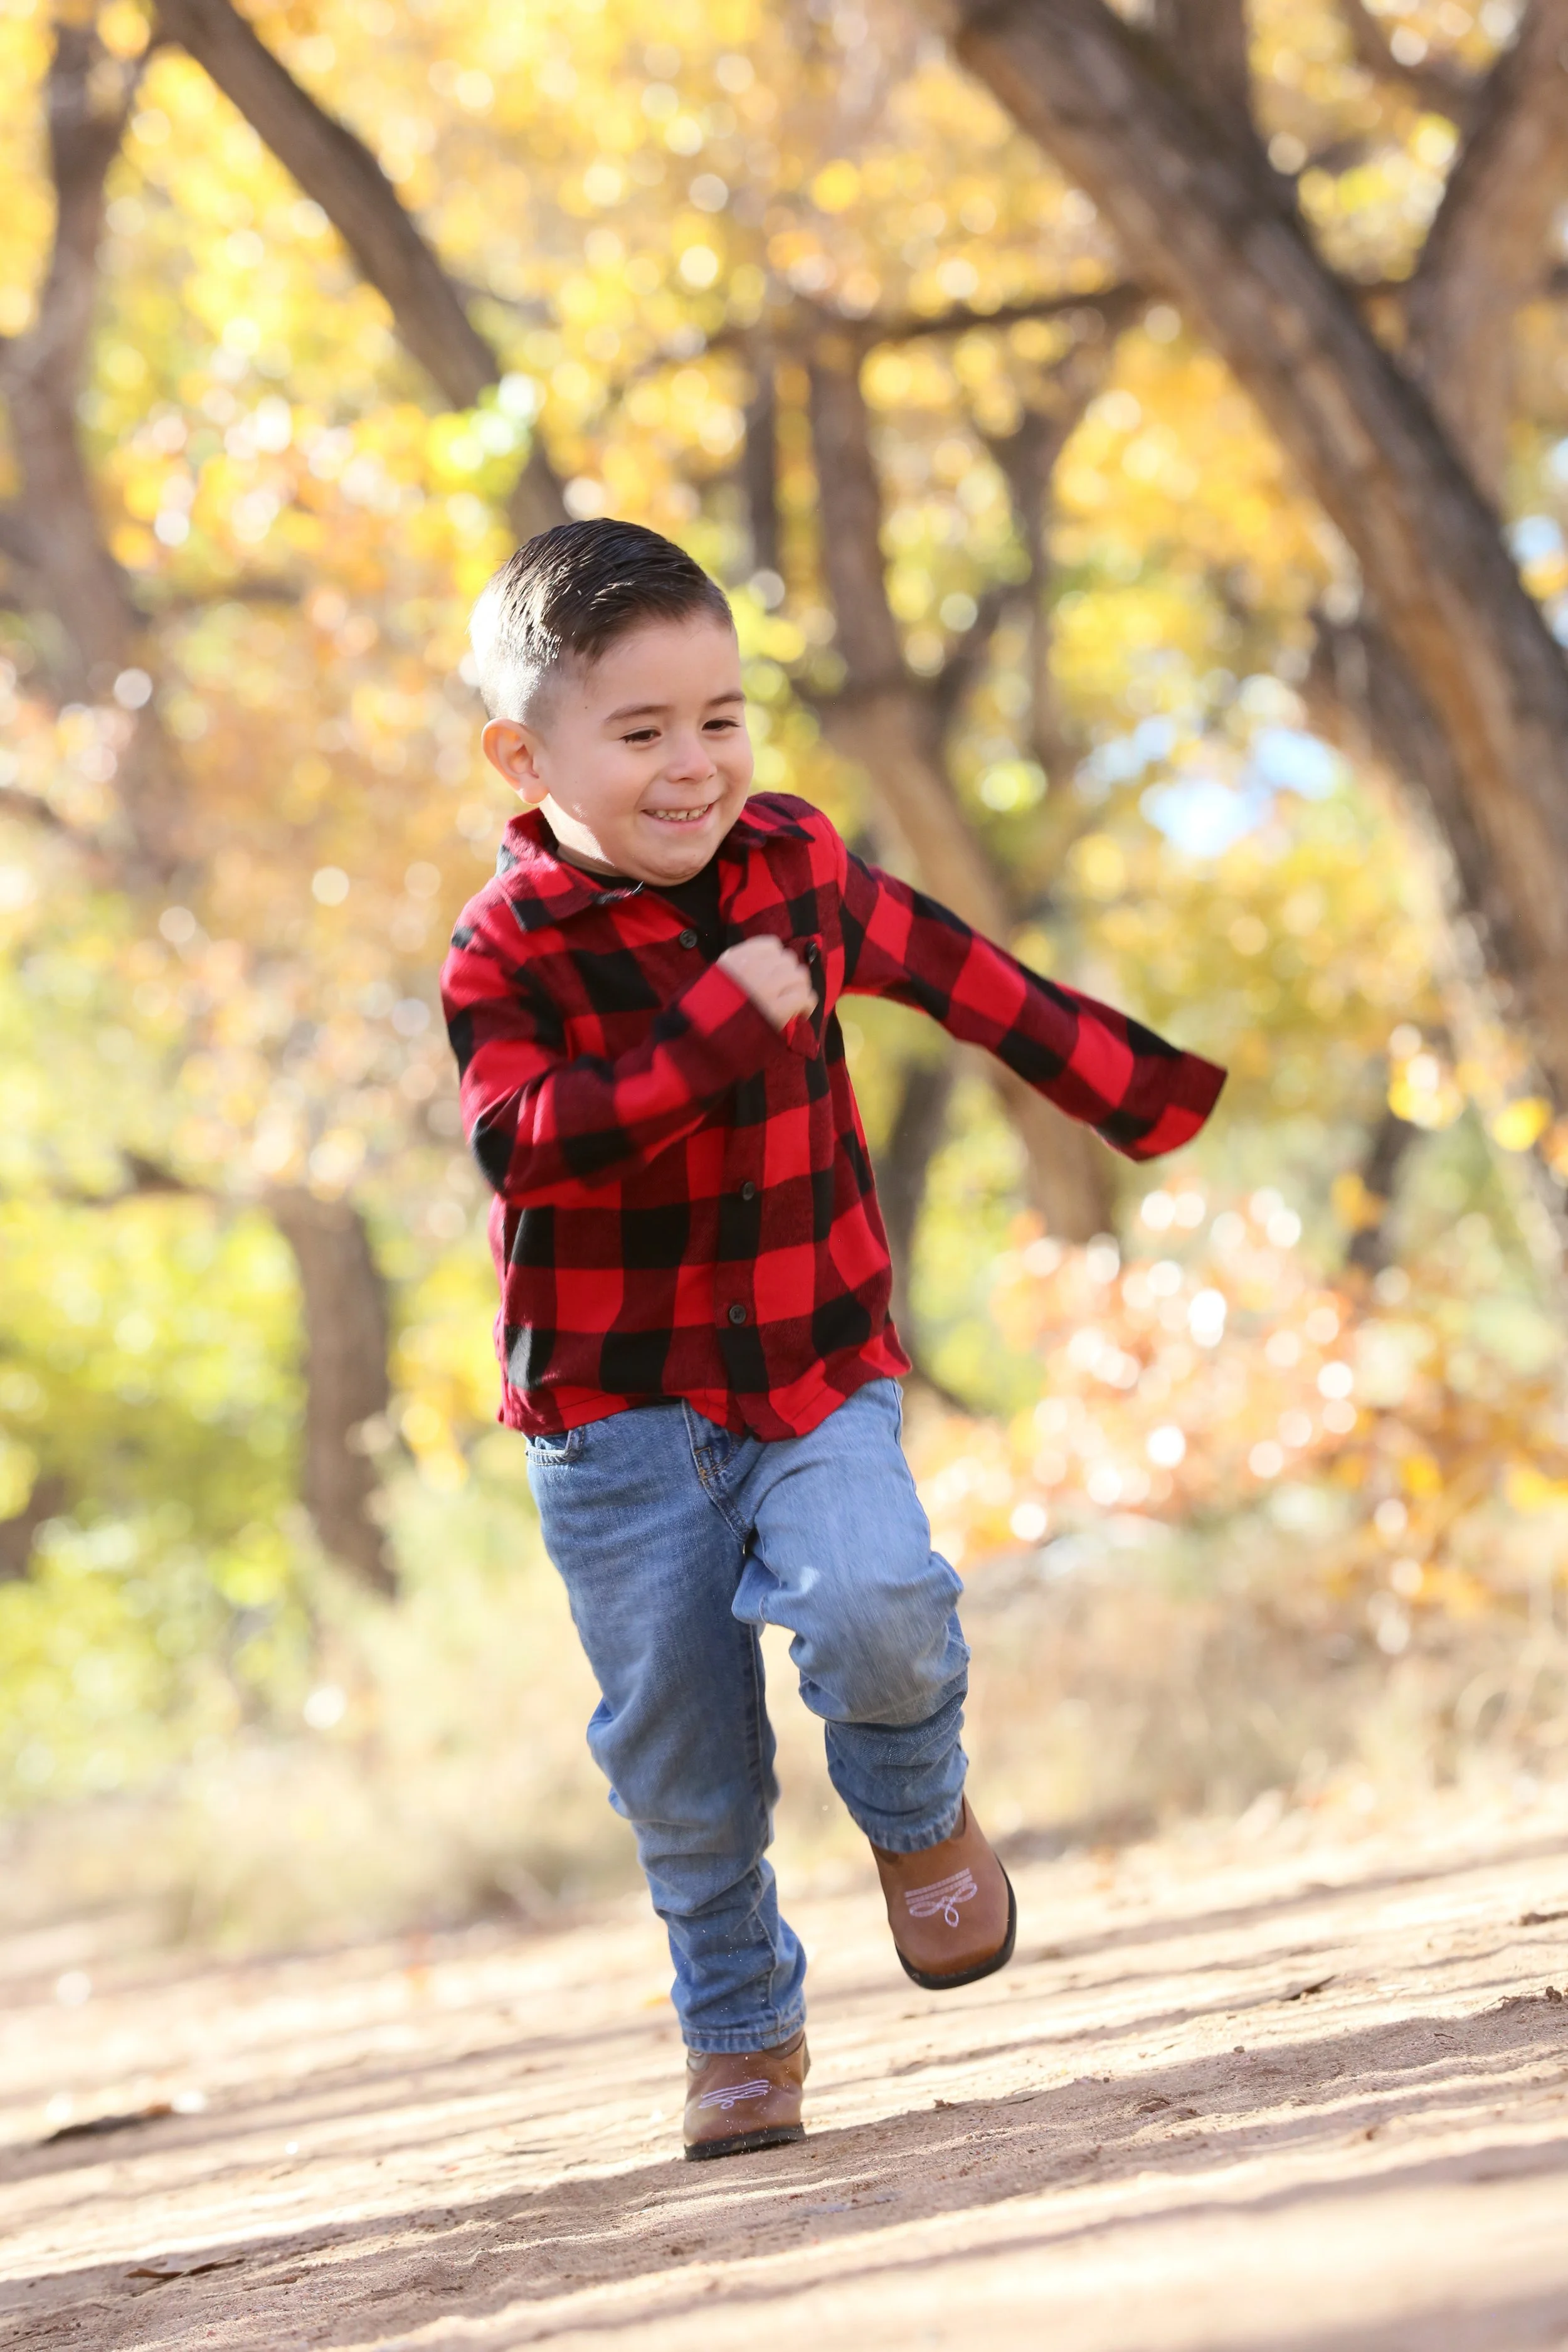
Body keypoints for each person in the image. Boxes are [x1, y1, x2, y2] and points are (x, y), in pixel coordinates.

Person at [440, 518, 1224, 2162]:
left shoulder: (795, 865)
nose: (692, 764)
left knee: (877, 1600)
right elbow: (525, 1142)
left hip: (811, 1356)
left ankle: (917, 1817)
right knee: (681, 1749)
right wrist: (710, 1035)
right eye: (640, 731)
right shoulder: (504, 950)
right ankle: (736, 2025)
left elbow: (958, 973)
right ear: (527, 753)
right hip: (616, 1417)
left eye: (718, 717)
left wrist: (1133, 1087)